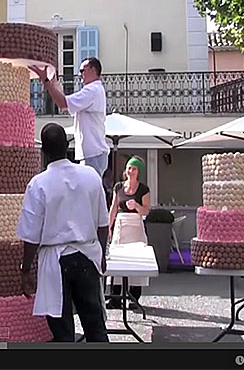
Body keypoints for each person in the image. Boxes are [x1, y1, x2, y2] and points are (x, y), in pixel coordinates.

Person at [17, 123, 110, 342]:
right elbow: (103, 224)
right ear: (67, 145)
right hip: (87, 256)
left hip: (55, 262)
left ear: (44, 152)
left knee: (62, 329)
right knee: (95, 324)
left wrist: (26, 269)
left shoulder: (38, 184)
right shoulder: (91, 176)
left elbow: (31, 235)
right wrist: (102, 255)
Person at [29, 58, 109, 177]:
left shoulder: (92, 90)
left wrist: (46, 81)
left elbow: (63, 103)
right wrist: (54, 83)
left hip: (93, 154)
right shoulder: (95, 90)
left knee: (88, 192)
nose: (80, 74)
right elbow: (66, 103)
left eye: (82, 70)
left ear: (93, 69)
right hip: (94, 153)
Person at [107, 156, 151, 309]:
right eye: (128, 168)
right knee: (117, 259)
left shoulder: (143, 190)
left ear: (139, 172)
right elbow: (113, 208)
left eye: (133, 168)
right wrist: (108, 226)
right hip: (121, 225)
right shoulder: (118, 187)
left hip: (135, 226)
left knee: (136, 260)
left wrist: (137, 206)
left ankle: (134, 297)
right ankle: (115, 296)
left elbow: (146, 211)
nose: (130, 171)